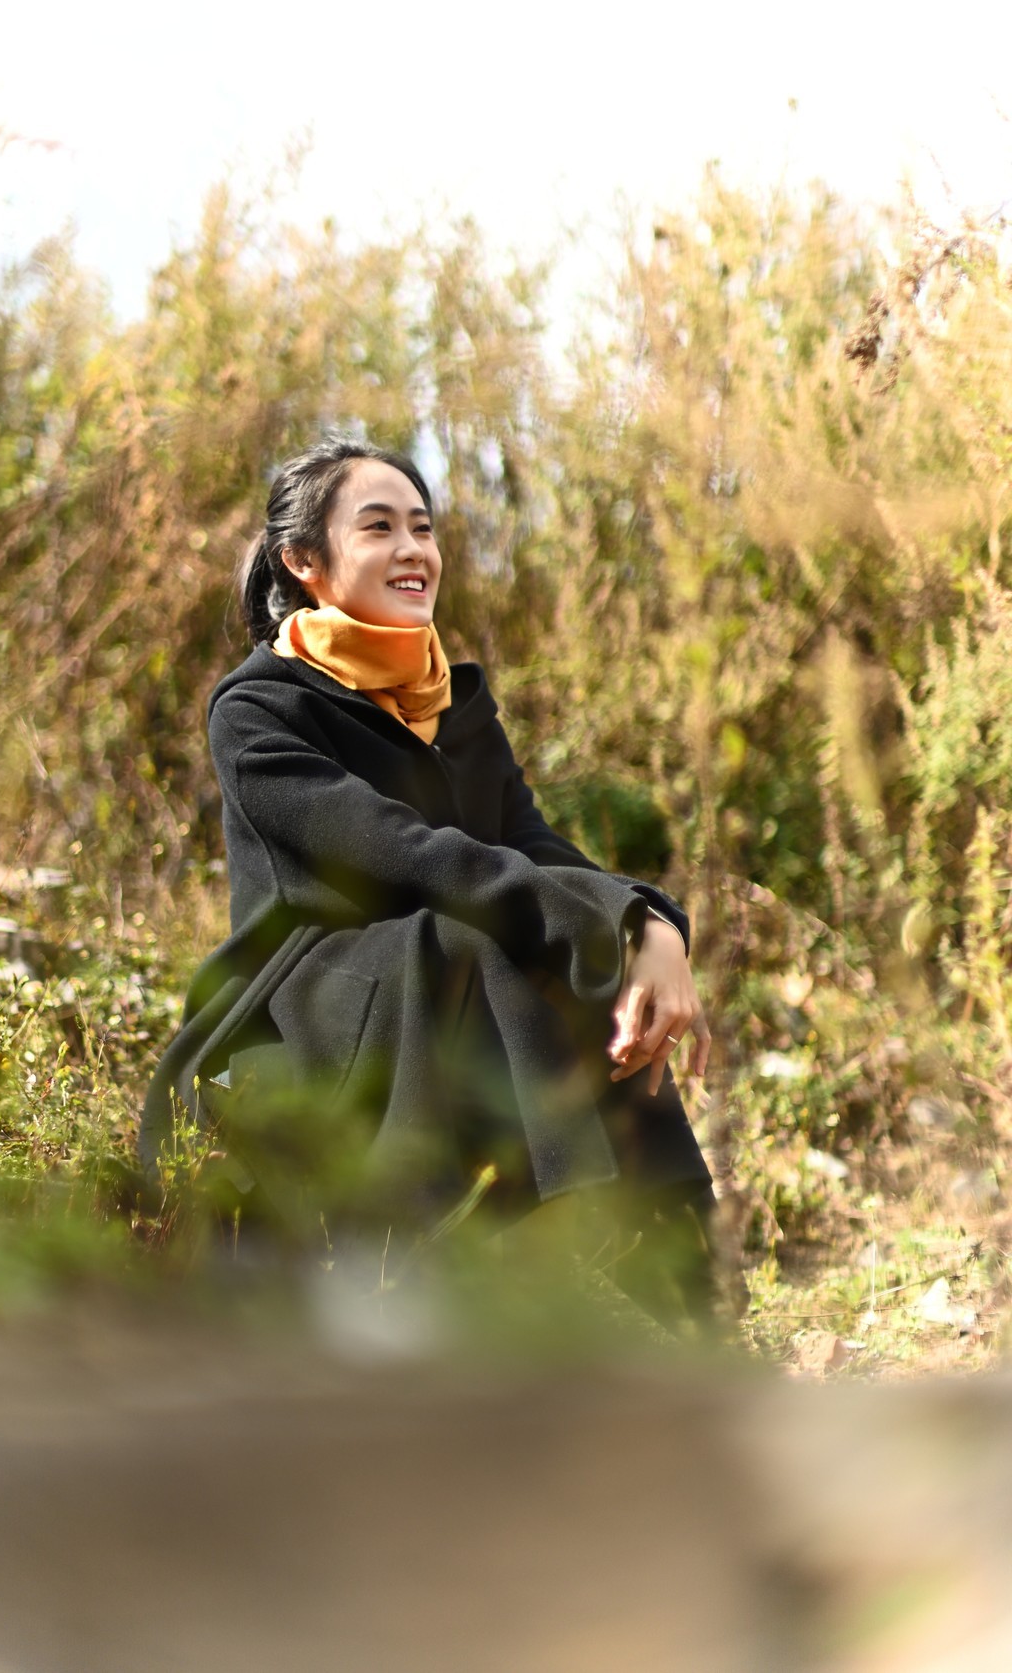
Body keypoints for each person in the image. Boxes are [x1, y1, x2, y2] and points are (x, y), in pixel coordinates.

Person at [139, 436, 717, 1324]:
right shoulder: (257, 711)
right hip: (302, 1007)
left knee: (549, 940)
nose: (414, 549)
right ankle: (535, 1250)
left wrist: (648, 924)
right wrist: (604, 924)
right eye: (378, 528)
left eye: (423, 527)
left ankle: (669, 1281)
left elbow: (534, 847)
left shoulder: (455, 704)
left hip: (439, 974)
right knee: (478, 934)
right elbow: (408, 855)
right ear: (303, 562)